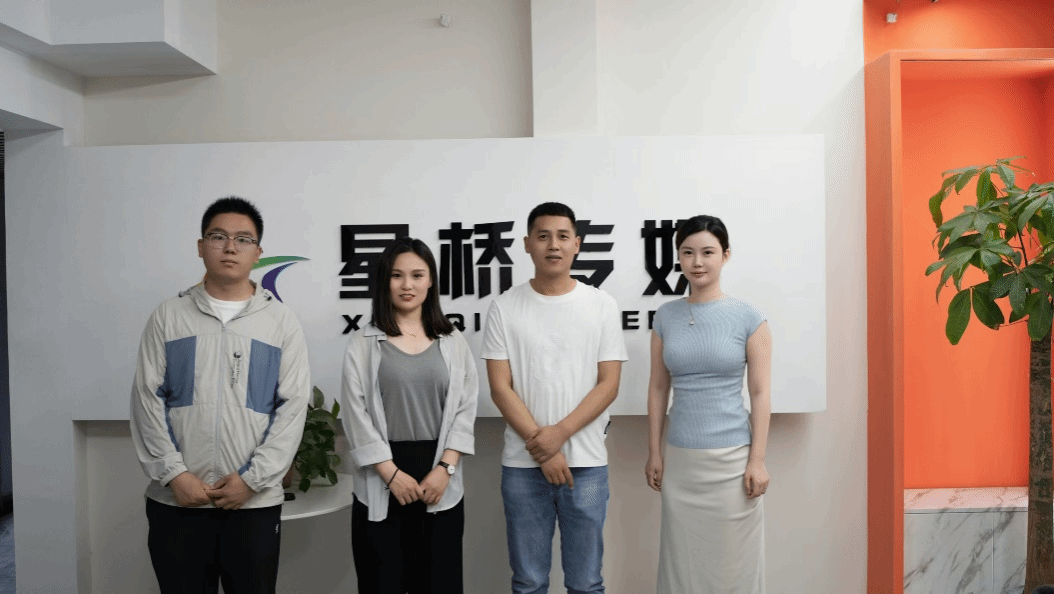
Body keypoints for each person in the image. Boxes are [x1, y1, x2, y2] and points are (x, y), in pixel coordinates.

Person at [130, 196, 311, 594]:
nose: (230, 247)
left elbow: (293, 406)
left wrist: (252, 480)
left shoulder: (280, 322)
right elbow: (146, 398)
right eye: (218, 237)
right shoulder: (169, 316)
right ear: (201, 246)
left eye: (243, 239)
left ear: (258, 253)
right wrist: (175, 474)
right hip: (177, 501)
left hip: (253, 505)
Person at [481, 202, 627, 594]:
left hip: (587, 463)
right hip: (523, 465)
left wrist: (557, 435)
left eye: (563, 236)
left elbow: (609, 384)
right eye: (543, 236)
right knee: (528, 582)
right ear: (527, 244)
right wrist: (543, 448)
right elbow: (500, 387)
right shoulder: (504, 307)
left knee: (586, 582)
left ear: (577, 244)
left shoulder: (601, 304)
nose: (553, 245)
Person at [341, 237, 478, 594]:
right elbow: (356, 416)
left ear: (430, 281)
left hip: (439, 476)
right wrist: (391, 474)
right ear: (384, 282)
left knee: (439, 582)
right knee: (382, 581)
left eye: (417, 275)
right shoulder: (362, 344)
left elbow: (465, 409)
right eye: (396, 275)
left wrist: (445, 468)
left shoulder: (453, 341)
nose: (407, 285)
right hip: (383, 475)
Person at [644, 214, 772, 594]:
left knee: (734, 567)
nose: (697, 262)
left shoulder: (749, 317)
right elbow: (657, 388)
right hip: (681, 463)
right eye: (687, 253)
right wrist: (654, 452)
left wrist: (757, 460)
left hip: (733, 463)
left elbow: (760, 392)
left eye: (707, 252)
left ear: (725, 255)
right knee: (681, 566)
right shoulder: (665, 316)